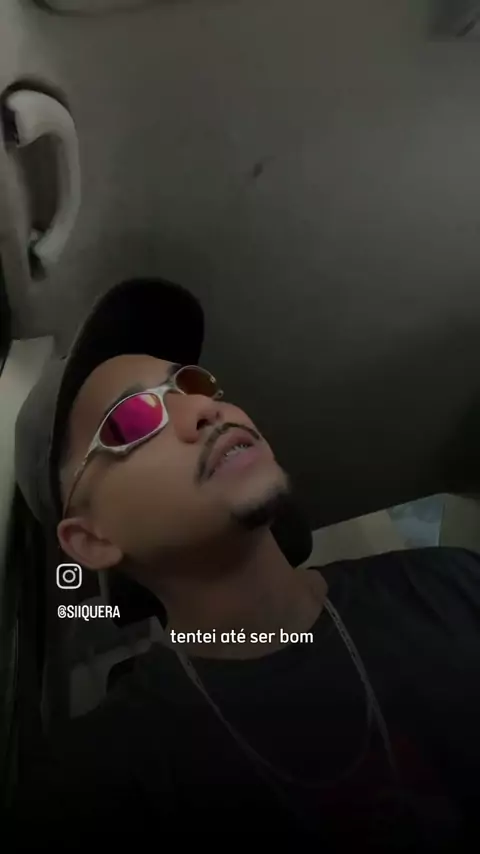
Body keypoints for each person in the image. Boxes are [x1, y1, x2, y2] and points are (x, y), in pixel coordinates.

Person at [12, 278, 480, 848]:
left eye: (191, 383)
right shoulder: (97, 783)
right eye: (131, 420)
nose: (204, 408)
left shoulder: (455, 586)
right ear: (90, 540)